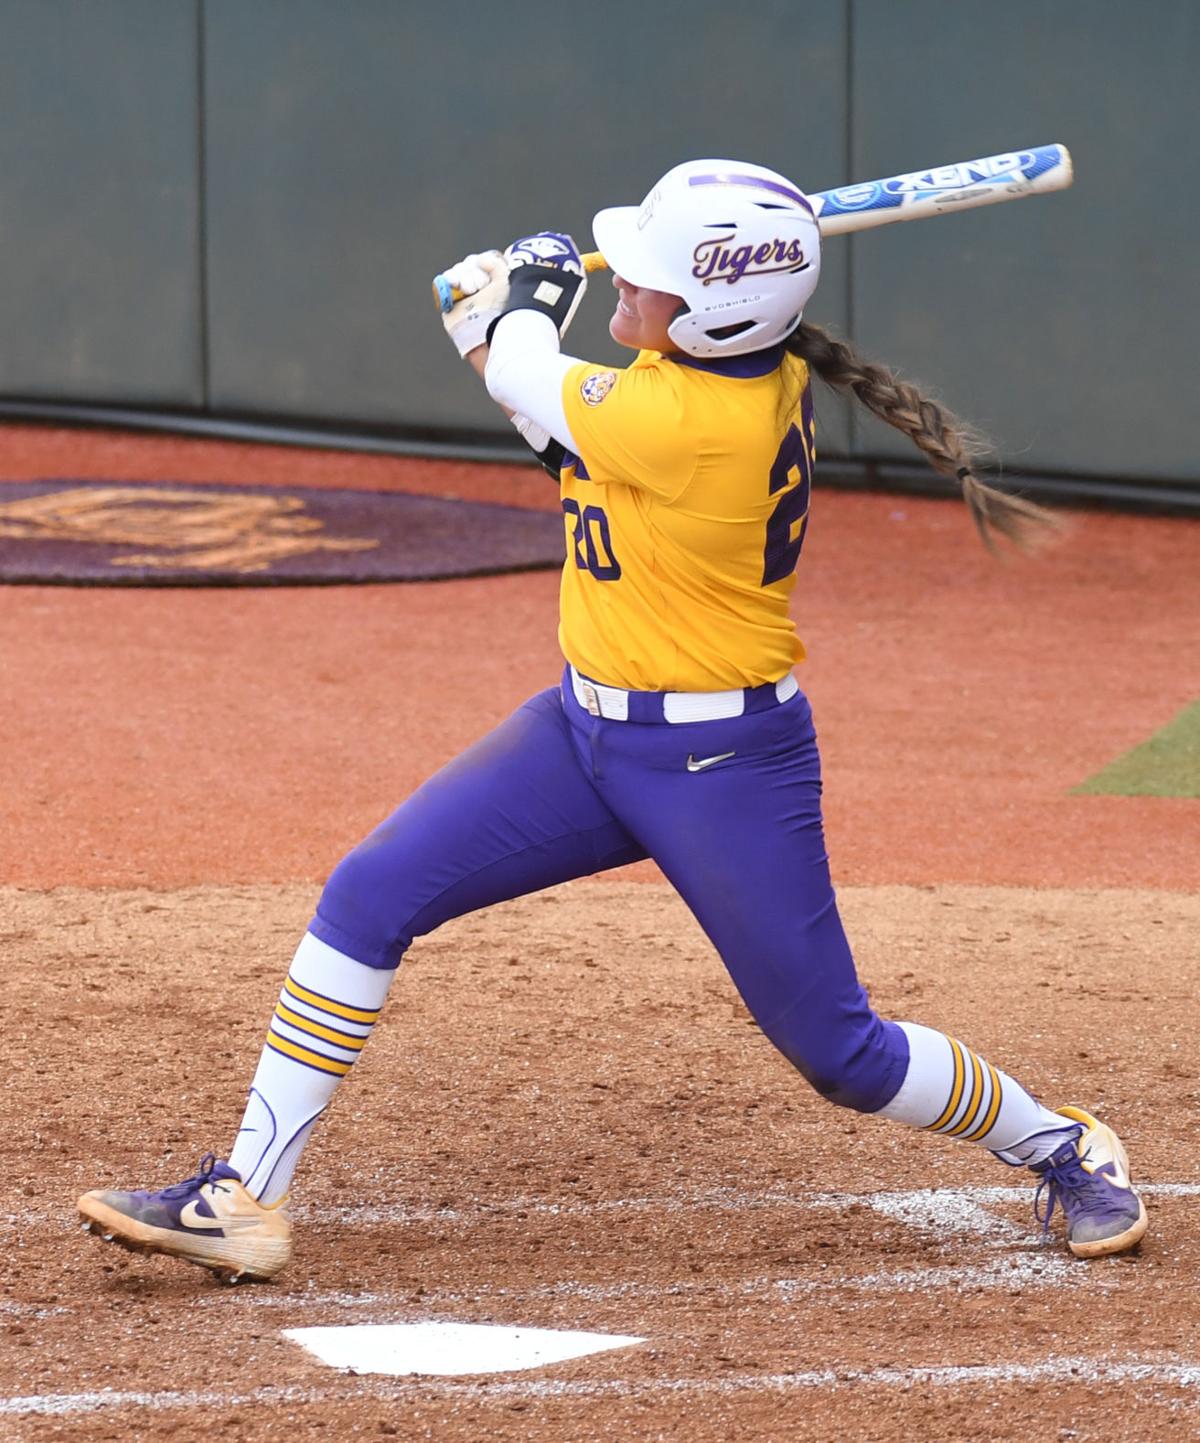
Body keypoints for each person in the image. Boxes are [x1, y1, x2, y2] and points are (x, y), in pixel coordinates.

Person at [78, 159, 1146, 1282]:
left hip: (721, 765)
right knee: (367, 894)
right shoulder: (687, 378)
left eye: (645, 278)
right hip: (579, 739)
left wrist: (527, 301)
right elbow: (565, 438)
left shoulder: (701, 417)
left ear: (721, 312)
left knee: (840, 1053)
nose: (623, 288)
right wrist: (483, 332)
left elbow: (546, 382)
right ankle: (247, 1196)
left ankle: (1062, 1144)